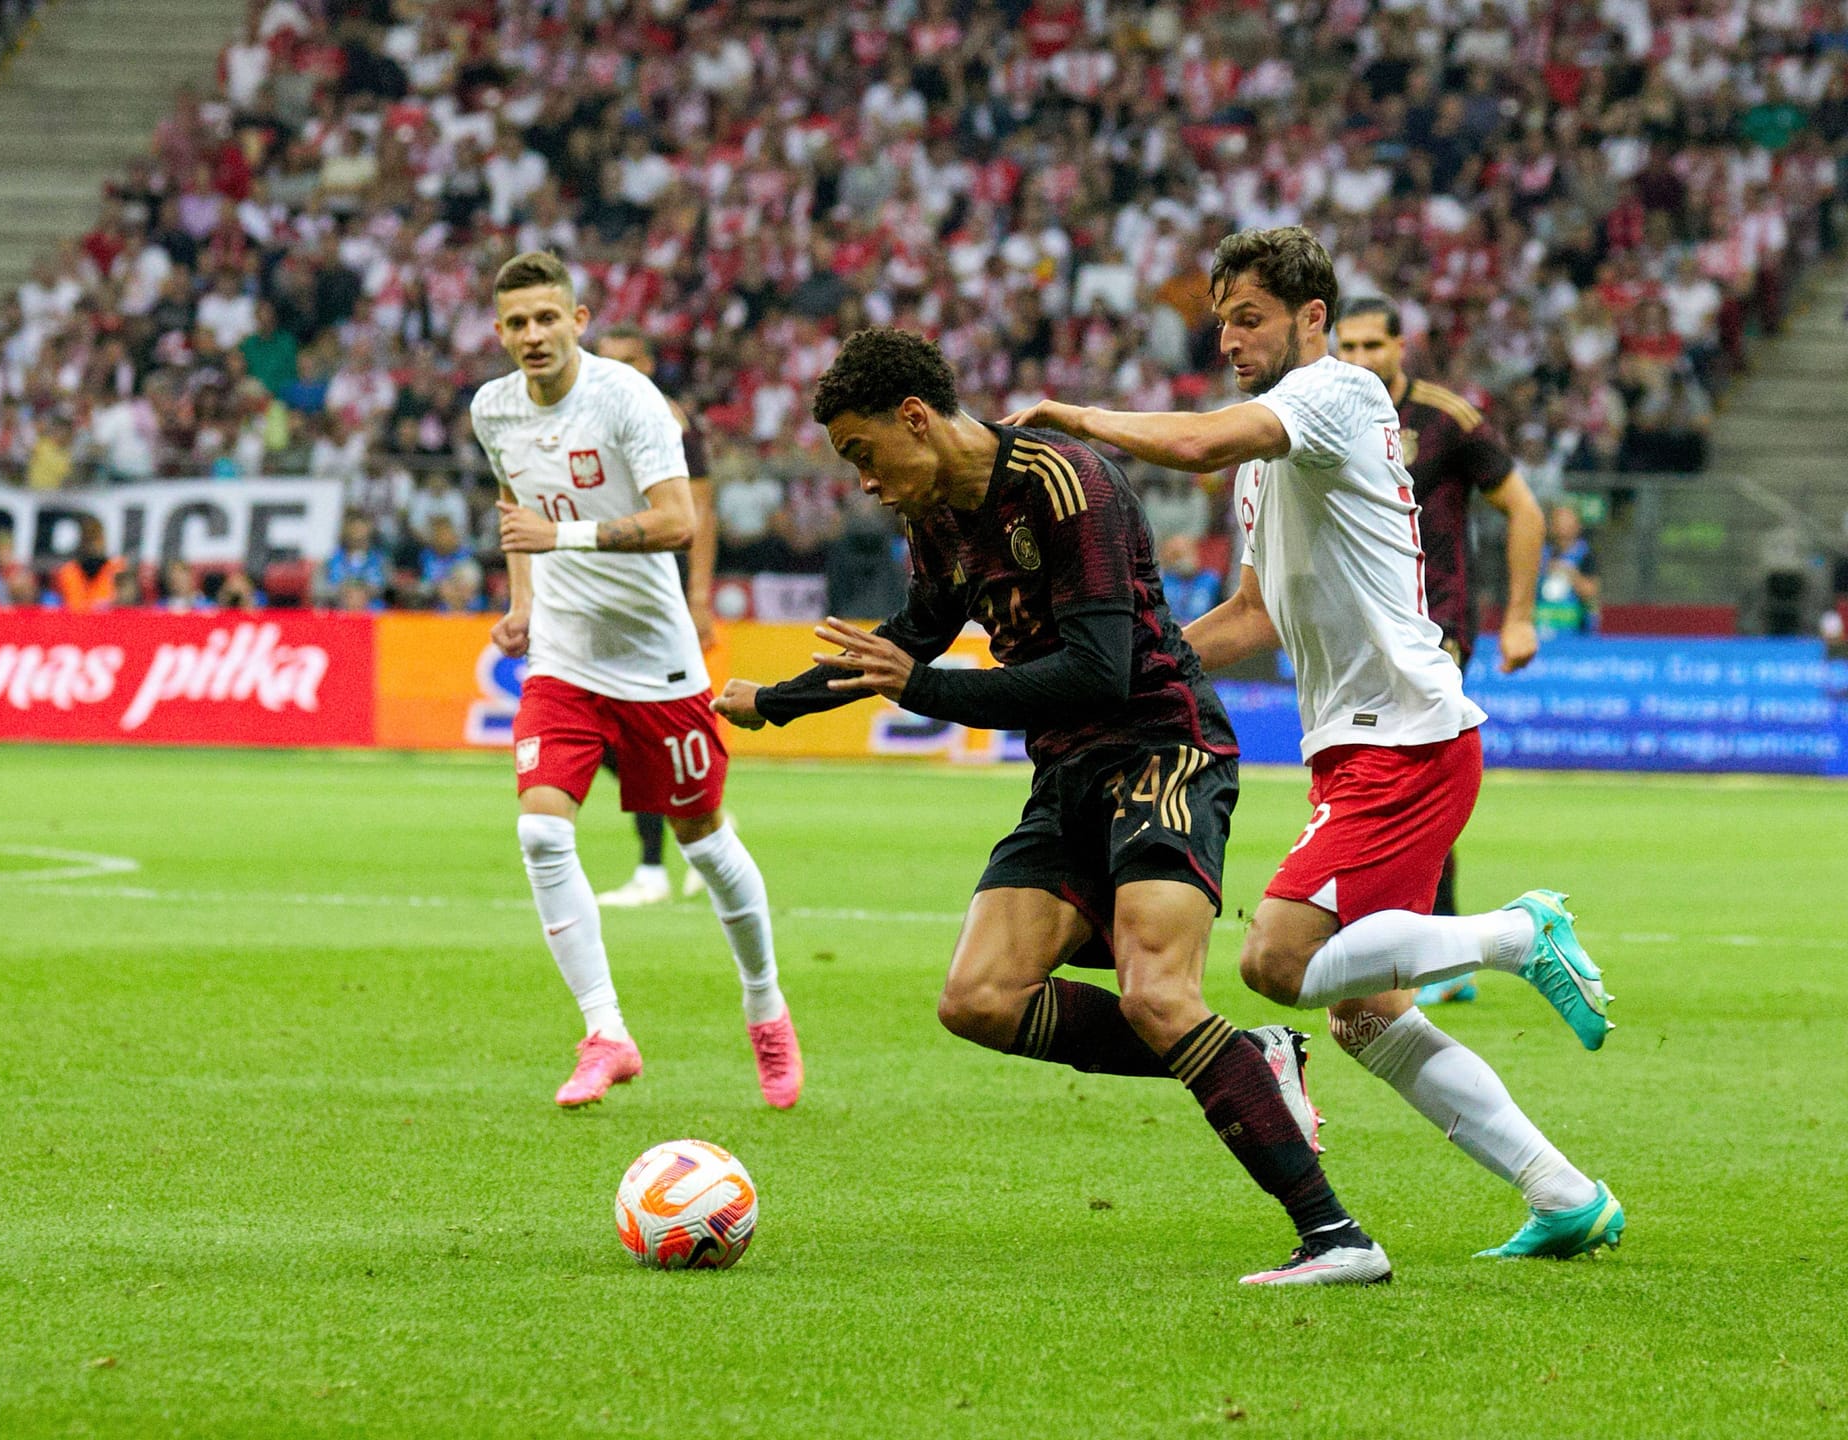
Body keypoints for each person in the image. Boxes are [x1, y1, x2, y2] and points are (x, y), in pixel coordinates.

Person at [716, 327, 1390, 1287]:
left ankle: (1336, 1236)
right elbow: (909, 638)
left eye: (863, 453)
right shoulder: (936, 514)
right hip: (1066, 774)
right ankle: (1250, 1058)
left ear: (915, 418)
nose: (862, 480)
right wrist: (776, 703)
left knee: (1159, 993)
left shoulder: (1066, 483)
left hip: (1162, 749)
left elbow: (1095, 670)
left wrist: (927, 689)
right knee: (979, 999)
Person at [1005, 227, 1623, 1260]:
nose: (1233, 339)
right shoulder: (1268, 459)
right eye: (1222, 323)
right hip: (1354, 746)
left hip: (1410, 735)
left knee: (1278, 959)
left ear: (1313, 319)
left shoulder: (1337, 393)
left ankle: (1518, 934)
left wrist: (1073, 417)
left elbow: (1198, 440)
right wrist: (1139, 674)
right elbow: (1255, 610)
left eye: (1250, 319)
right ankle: (1563, 1194)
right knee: (1369, 1014)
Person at [470, 250, 801, 1110]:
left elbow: (677, 518)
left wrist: (562, 544)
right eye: (517, 323)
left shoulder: (628, 398)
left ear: (578, 320)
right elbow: (519, 515)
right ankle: (605, 1031)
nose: (533, 335)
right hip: (566, 660)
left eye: (548, 317)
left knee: (705, 843)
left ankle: (765, 1006)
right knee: (541, 836)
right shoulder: (492, 410)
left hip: (657, 664)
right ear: (499, 332)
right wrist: (522, 602)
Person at [1335, 296, 1548, 1002]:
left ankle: (1441, 947)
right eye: (1350, 347)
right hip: (1358, 626)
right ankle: (1426, 941)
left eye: (1373, 346)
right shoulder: (1326, 415)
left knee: (1415, 766)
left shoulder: (1447, 421)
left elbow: (1524, 508)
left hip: (1438, 624)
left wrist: (1518, 617)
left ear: (1402, 347)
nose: (1361, 360)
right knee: (1380, 770)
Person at [590, 323, 721, 909]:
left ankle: (657, 864)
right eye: (605, 360)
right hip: (602, 589)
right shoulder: (587, 416)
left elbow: (702, 511)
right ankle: (700, 821)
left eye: (625, 360)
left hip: (657, 590)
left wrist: (698, 597)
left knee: (645, 725)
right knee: (606, 733)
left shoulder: (671, 420)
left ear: (646, 362)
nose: (614, 370)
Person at [1537, 504, 1599, 636]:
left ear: (1578, 526)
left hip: (1575, 632)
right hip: (1543, 630)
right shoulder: (1541, 555)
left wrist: (1569, 573)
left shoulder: (1585, 555)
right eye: (1558, 521)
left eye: (1567, 521)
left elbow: (1590, 591)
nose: (1562, 526)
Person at [52, 518, 126, 613]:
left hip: (107, 622)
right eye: (89, 537)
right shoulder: (67, 571)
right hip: (75, 622)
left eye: (95, 536)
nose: (92, 542)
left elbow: (126, 602)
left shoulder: (118, 568)